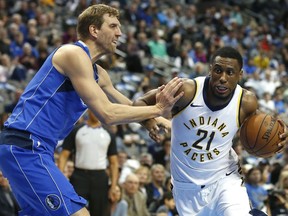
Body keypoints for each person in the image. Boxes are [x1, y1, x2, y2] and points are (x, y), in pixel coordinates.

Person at [0, 4, 183, 216]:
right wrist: (157, 108)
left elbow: (127, 105)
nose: (119, 33)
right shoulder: (73, 53)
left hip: (36, 149)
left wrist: (153, 119)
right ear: (94, 30)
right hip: (25, 146)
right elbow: (108, 114)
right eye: (113, 26)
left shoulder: (99, 73)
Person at [134, 46, 288, 216]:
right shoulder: (186, 90)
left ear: (240, 75)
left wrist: (280, 135)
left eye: (230, 72)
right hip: (186, 187)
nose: (222, 78)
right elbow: (140, 103)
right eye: (218, 70)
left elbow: (264, 128)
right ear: (210, 70)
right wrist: (148, 121)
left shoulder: (246, 101)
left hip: (225, 179)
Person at [58, 109, 118, 216]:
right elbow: (63, 155)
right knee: (75, 210)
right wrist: (60, 179)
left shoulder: (109, 134)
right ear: (89, 111)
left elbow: (114, 163)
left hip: (100, 177)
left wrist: (113, 186)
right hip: (79, 176)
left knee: (101, 211)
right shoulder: (76, 130)